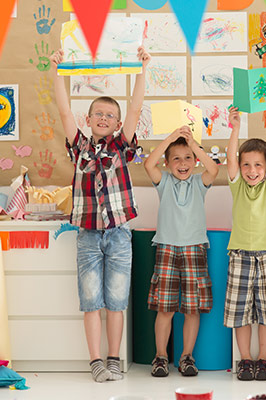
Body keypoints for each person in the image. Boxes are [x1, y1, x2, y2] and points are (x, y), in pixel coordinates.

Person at [49, 46, 151, 382]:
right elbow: (63, 110)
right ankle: (95, 361)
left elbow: (136, 106)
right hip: (88, 234)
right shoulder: (79, 146)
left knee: (117, 301)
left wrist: (143, 68)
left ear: (118, 123)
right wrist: (56, 70)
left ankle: (112, 359)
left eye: (110, 115)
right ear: (88, 120)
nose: (104, 119)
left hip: (119, 232)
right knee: (91, 299)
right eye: (98, 114)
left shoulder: (121, 146)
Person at [144, 126, 219, 378]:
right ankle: (161, 357)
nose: (183, 163)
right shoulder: (164, 182)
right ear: (167, 163)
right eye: (176, 158)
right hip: (167, 248)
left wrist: (193, 144)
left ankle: (187, 356)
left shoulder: (200, 182)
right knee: (165, 309)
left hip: (194, 248)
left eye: (188, 158)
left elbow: (214, 169)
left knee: (192, 308)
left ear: (195, 161)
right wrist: (169, 139)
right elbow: (148, 164)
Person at [223, 106, 266, 381]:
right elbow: (230, 159)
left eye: (258, 164)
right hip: (239, 255)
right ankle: (245, 360)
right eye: (246, 164)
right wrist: (235, 127)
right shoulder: (237, 185)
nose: (251, 170)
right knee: (240, 314)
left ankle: (263, 360)